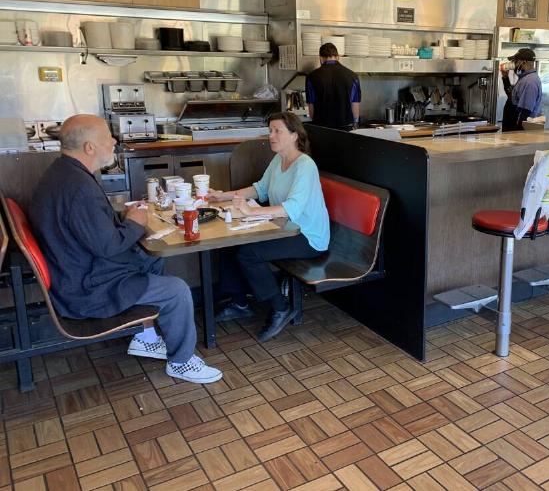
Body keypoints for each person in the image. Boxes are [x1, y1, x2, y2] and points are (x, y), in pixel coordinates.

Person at [28, 115, 222, 384]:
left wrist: (128, 221)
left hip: (73, 269)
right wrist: (134, 222)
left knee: (151, 260)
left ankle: (145, 337)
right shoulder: (78, 188)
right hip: (87, 289)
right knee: (176, 291)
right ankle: (181, 362)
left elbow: (92, 232)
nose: (114, 141)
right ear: (89, 147)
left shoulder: (63, 173)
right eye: (108, 136)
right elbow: (108, 246)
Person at [210, 112, 329, 341]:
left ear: (294, 135)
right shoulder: (279, 160)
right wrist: (221, 196)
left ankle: (281, 307)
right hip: (283, 227)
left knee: (248, 253)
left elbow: (291, 207)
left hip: (307, 236)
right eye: (270, 130)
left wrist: (251, 211)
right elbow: (260, 189)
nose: (271, 136)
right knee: (229, 244)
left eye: (277, 131)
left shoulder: (305, 165)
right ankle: (240, 302)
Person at [305, 43, 361, 130]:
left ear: (320, 58)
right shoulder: (353, 76)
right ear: (338, 57)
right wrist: (355, 124)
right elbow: (355, 110)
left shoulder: (311, 77)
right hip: (346, 128)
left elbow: (311, 112)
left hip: (322, 128)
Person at [500, 48, 542, 132]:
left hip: (516, 131)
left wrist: (516, 134)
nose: (514, 64)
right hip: (510, 129)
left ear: (524, 62)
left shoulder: (530, 82)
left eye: (516, 61)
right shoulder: (524, 78)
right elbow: (511, 98)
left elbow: (525, 112)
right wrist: (505, 78)